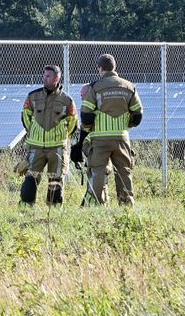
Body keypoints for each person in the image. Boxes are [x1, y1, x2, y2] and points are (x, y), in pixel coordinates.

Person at [71, 54, 142, 206]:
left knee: (98, 171)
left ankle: (94, 205)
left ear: (100, 68)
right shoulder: (129, 86)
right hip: (122, 138)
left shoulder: (95, 87)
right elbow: (138, 114)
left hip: (100, 139)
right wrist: (125, 126)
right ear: (114, 67)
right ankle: (127, 206)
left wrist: (90, 130)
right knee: (124, 172)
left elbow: (86, 114)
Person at [19, 65, 77, 206]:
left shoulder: (67, 100)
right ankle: (25, 209)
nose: (44, 78)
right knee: (30, 182)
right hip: (36, 147)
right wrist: (33, 130)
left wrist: (61, 136)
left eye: (48, 76)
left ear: (57, 78)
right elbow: (25, 115)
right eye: (44, 75)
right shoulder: (33, 96)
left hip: (57, 149)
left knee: (55, 182)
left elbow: (73, 122)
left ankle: (54, 212)